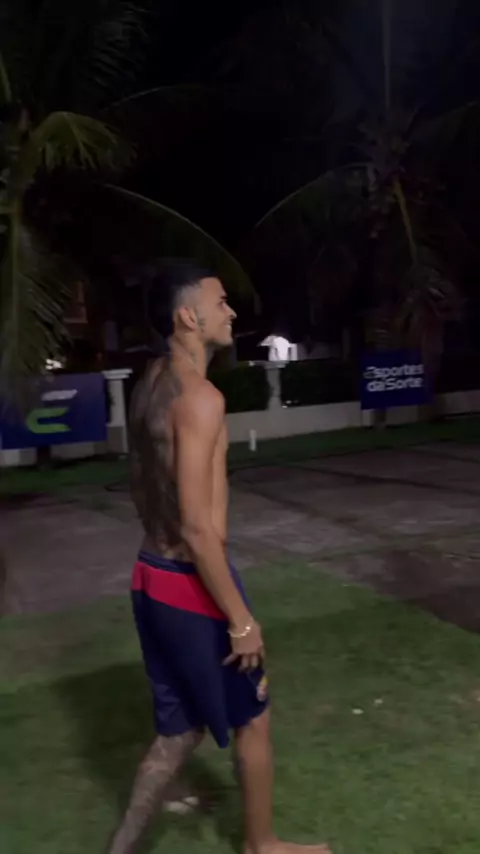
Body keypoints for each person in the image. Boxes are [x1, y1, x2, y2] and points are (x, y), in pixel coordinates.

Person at [106, 260, 331, 854]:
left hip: (148, 575)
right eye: (221, 302)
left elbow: (147, 481)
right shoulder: (200, 399)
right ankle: (262, 845)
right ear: (189, 316)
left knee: (177, 732)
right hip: (190, 580)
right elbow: (199, 527)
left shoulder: (150, 383)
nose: (231, 312)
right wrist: (241, 618)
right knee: (253, 716)